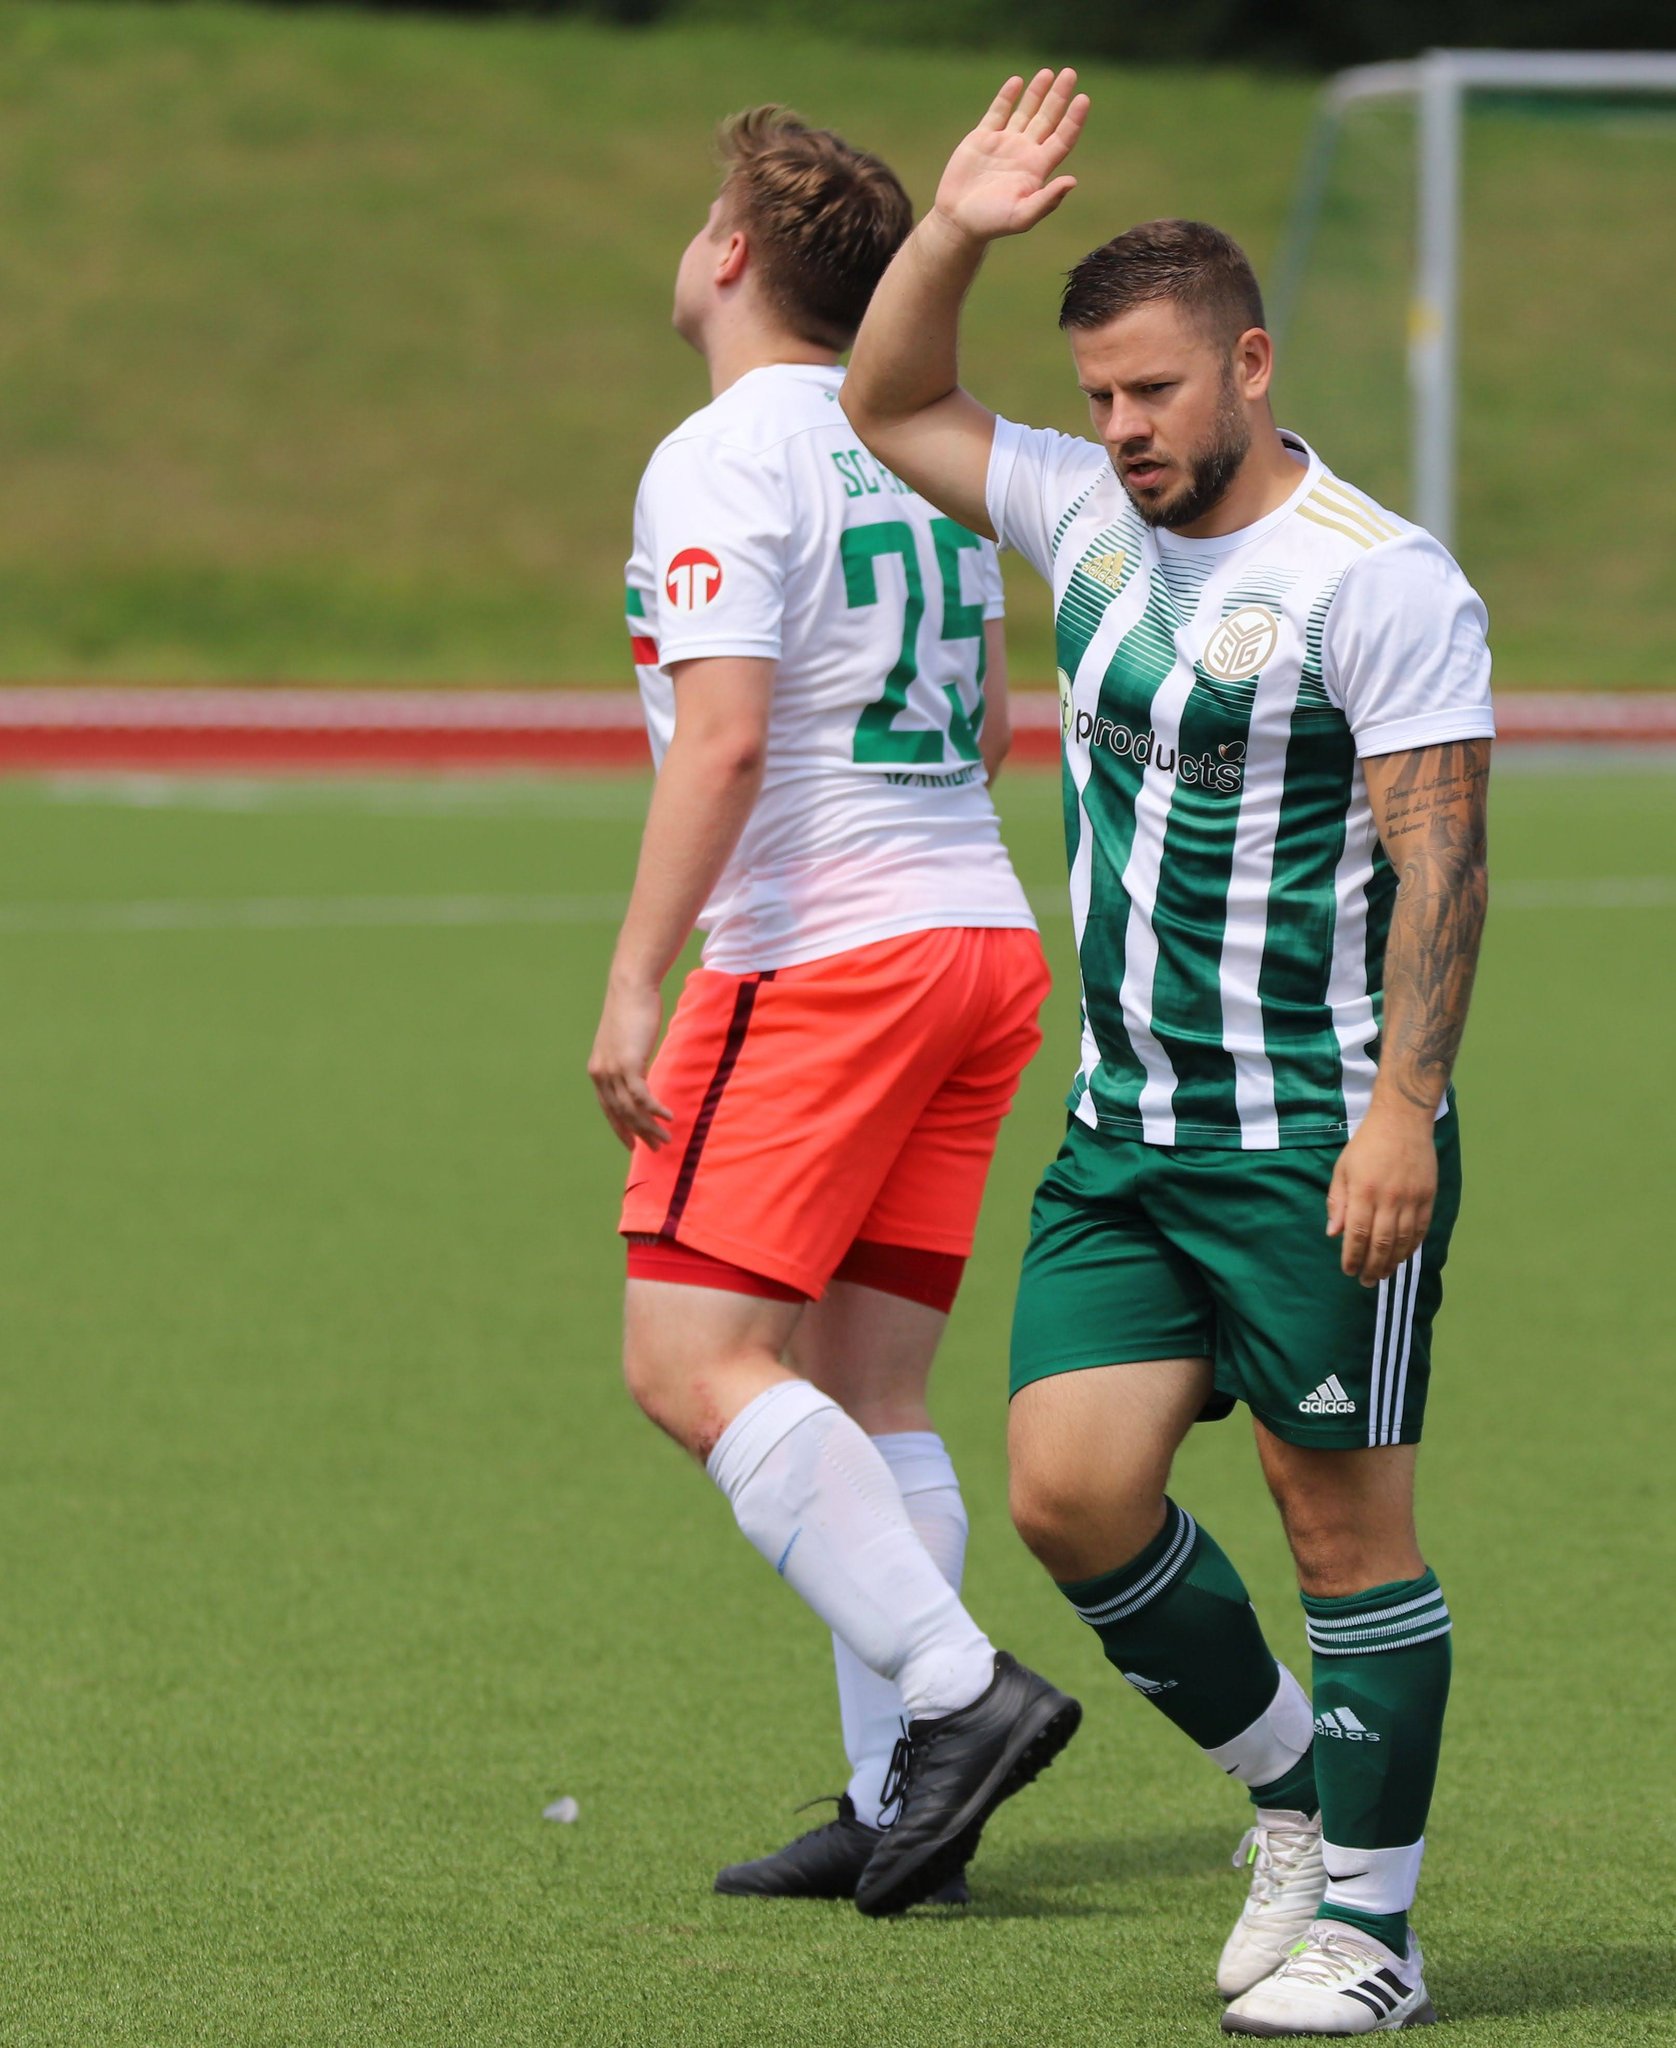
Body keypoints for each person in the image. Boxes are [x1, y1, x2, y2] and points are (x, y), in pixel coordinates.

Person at [840, 70, 1492, 2030]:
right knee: (1065, 1491)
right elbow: (887, 398)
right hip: (1126, 1133)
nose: (1120, 427)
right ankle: (1291, 1786)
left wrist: (1403, 1114)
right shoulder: (1082, 516)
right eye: (1099, 395)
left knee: (1336, 1521)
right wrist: (952, 228)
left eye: (1154, 391)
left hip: (1318, 1136)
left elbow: (1445, 862)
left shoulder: (1377, 577)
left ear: (1250, 366)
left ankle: (1373, 1936)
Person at [588, 104, 1081, 1919]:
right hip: (977, 938)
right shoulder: (909, 434)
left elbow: (723, 738)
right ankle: (901, 1811)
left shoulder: (724, 449)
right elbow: (999, 725)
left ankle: (957, 1696)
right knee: (872, 1389)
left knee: (688, 1361)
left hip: (827, 950)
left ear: (731, 254)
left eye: (701, 213)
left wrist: (638, 974)